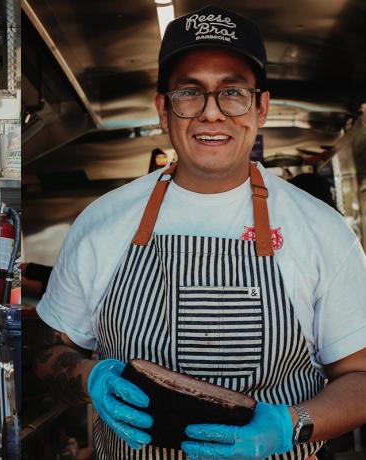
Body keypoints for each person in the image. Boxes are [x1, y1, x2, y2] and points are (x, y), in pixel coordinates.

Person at [34, 5, 366, 459]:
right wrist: (89, 377)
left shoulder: (322, 231)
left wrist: (290, 425)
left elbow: (361, 378)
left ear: (261, 107)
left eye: (233, 93)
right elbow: (49, 352)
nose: (212, 114)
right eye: (190, 93)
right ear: (163, 109)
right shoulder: (101, 222)